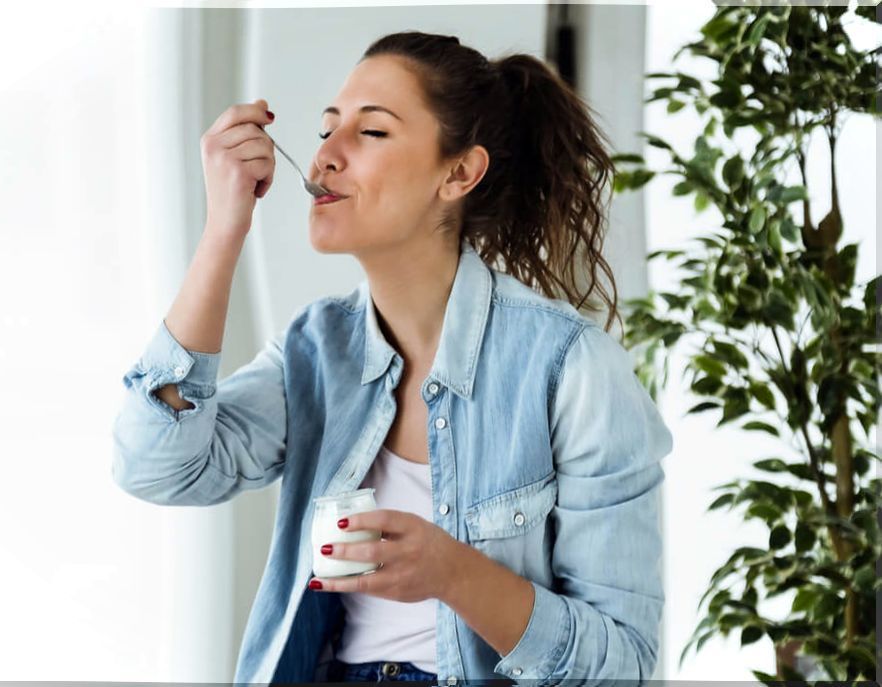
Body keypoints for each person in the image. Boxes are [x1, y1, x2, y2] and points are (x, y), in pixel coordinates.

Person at [112, 30, 673, 685]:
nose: (326, 155)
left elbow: (624, 665)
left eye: (371, 133)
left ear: (459, 172)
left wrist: (453, 572)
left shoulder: (572, 369)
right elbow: (157, 465)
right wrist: (222, 230)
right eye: (327, 129)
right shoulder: (315, 351)